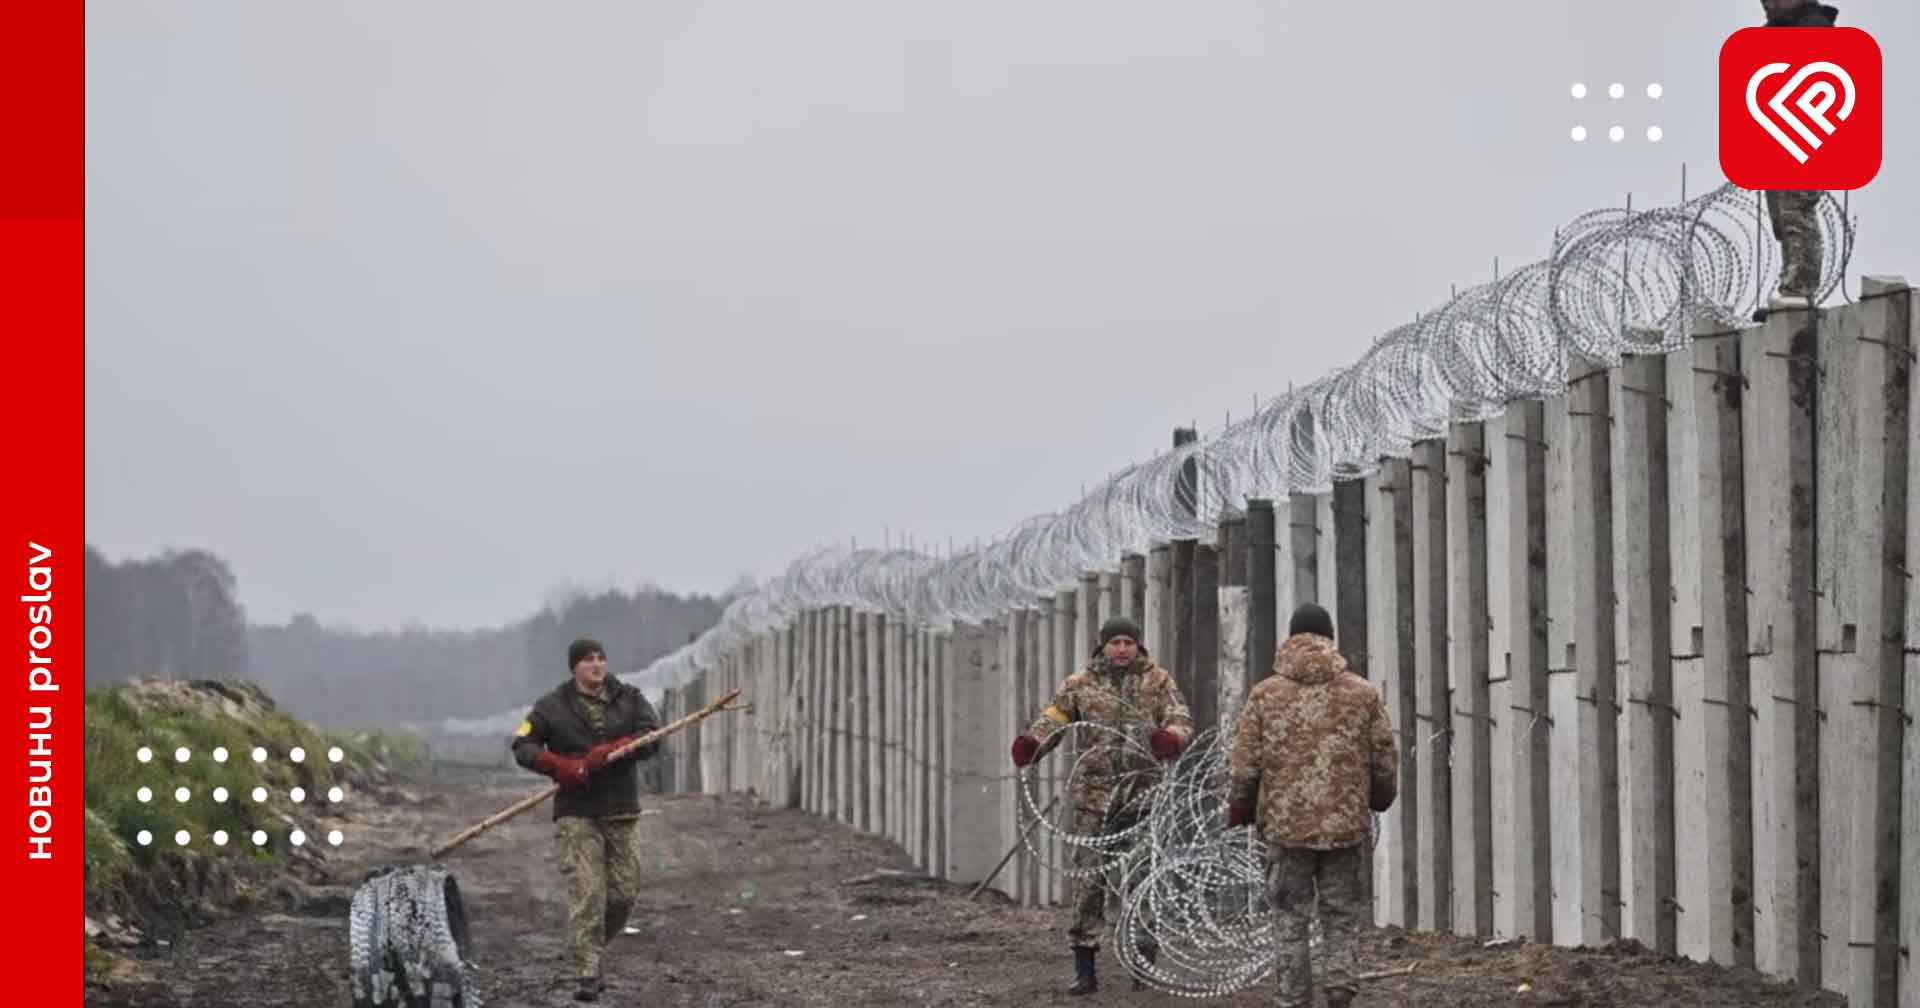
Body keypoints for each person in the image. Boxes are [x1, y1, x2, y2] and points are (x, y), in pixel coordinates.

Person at [1009, 616, 1193, 995]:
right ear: (1103, 646)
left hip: (1142, 798)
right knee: (1088, 883)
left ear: (1137, 645)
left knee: (1142, 881)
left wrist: (1169, 738)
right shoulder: (1080, 686)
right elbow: (1053, 720)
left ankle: (1143, 964)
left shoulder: (1158, 682)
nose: (1122, 649)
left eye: (1128, 642)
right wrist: (1033, 744)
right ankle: (1085, 967)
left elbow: (1180, 718)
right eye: (1115, 643)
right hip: (1093, 800)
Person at [1226, 604, 1398, 1008]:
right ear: (1329, 637)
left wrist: (1240, 806)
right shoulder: (1362, 693)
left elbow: (1246, 763)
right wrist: (1378, 799)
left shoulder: (1265, 694)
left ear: (1290, 638)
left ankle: (1295, 998)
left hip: (1286, 831)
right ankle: (1339, 986)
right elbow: (1384, 757)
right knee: (1340, 915)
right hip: (1344, 828)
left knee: (1290, 919)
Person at [511, 637, 662, 1002]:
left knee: (624, 893)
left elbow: (653, 736)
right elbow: (522, 745)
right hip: (577, 812)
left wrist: (611, 750)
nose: (597, 665)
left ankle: (590, 945)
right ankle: (587, 970)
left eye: (600, 658)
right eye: (588, 660)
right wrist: (558, 766)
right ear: (574, 667)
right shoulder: (551, 707)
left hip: (621, 808)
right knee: (588, 892)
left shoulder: (629, 699)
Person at [1753, 0, 1840, 322]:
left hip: (1802, 139)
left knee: (1795, 214)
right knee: (1782, 219)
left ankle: (1799, 290)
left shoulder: (1813, 28)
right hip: (1778, 140)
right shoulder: (1773, 32)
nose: (1767, 5)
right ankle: (1790, 287)